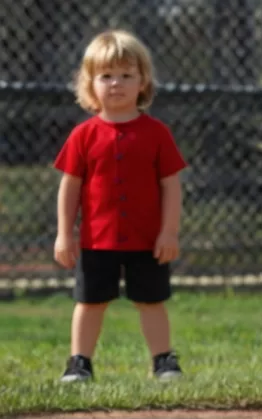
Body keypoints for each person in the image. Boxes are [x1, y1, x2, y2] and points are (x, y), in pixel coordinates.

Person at [53, 29, 187, 383]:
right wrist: (64, 235)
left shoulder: (157, 133)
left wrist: (169, 231)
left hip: (147, 240)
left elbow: (171, 186)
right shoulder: (83, 135)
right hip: (96, 240)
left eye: (127, 75)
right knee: (90, 302)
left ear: (143, 81)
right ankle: (79, 362)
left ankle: (163, 361)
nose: (116, 83)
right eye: (106, 76)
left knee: (151, 301)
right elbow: (70, 187)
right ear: (90, 83)